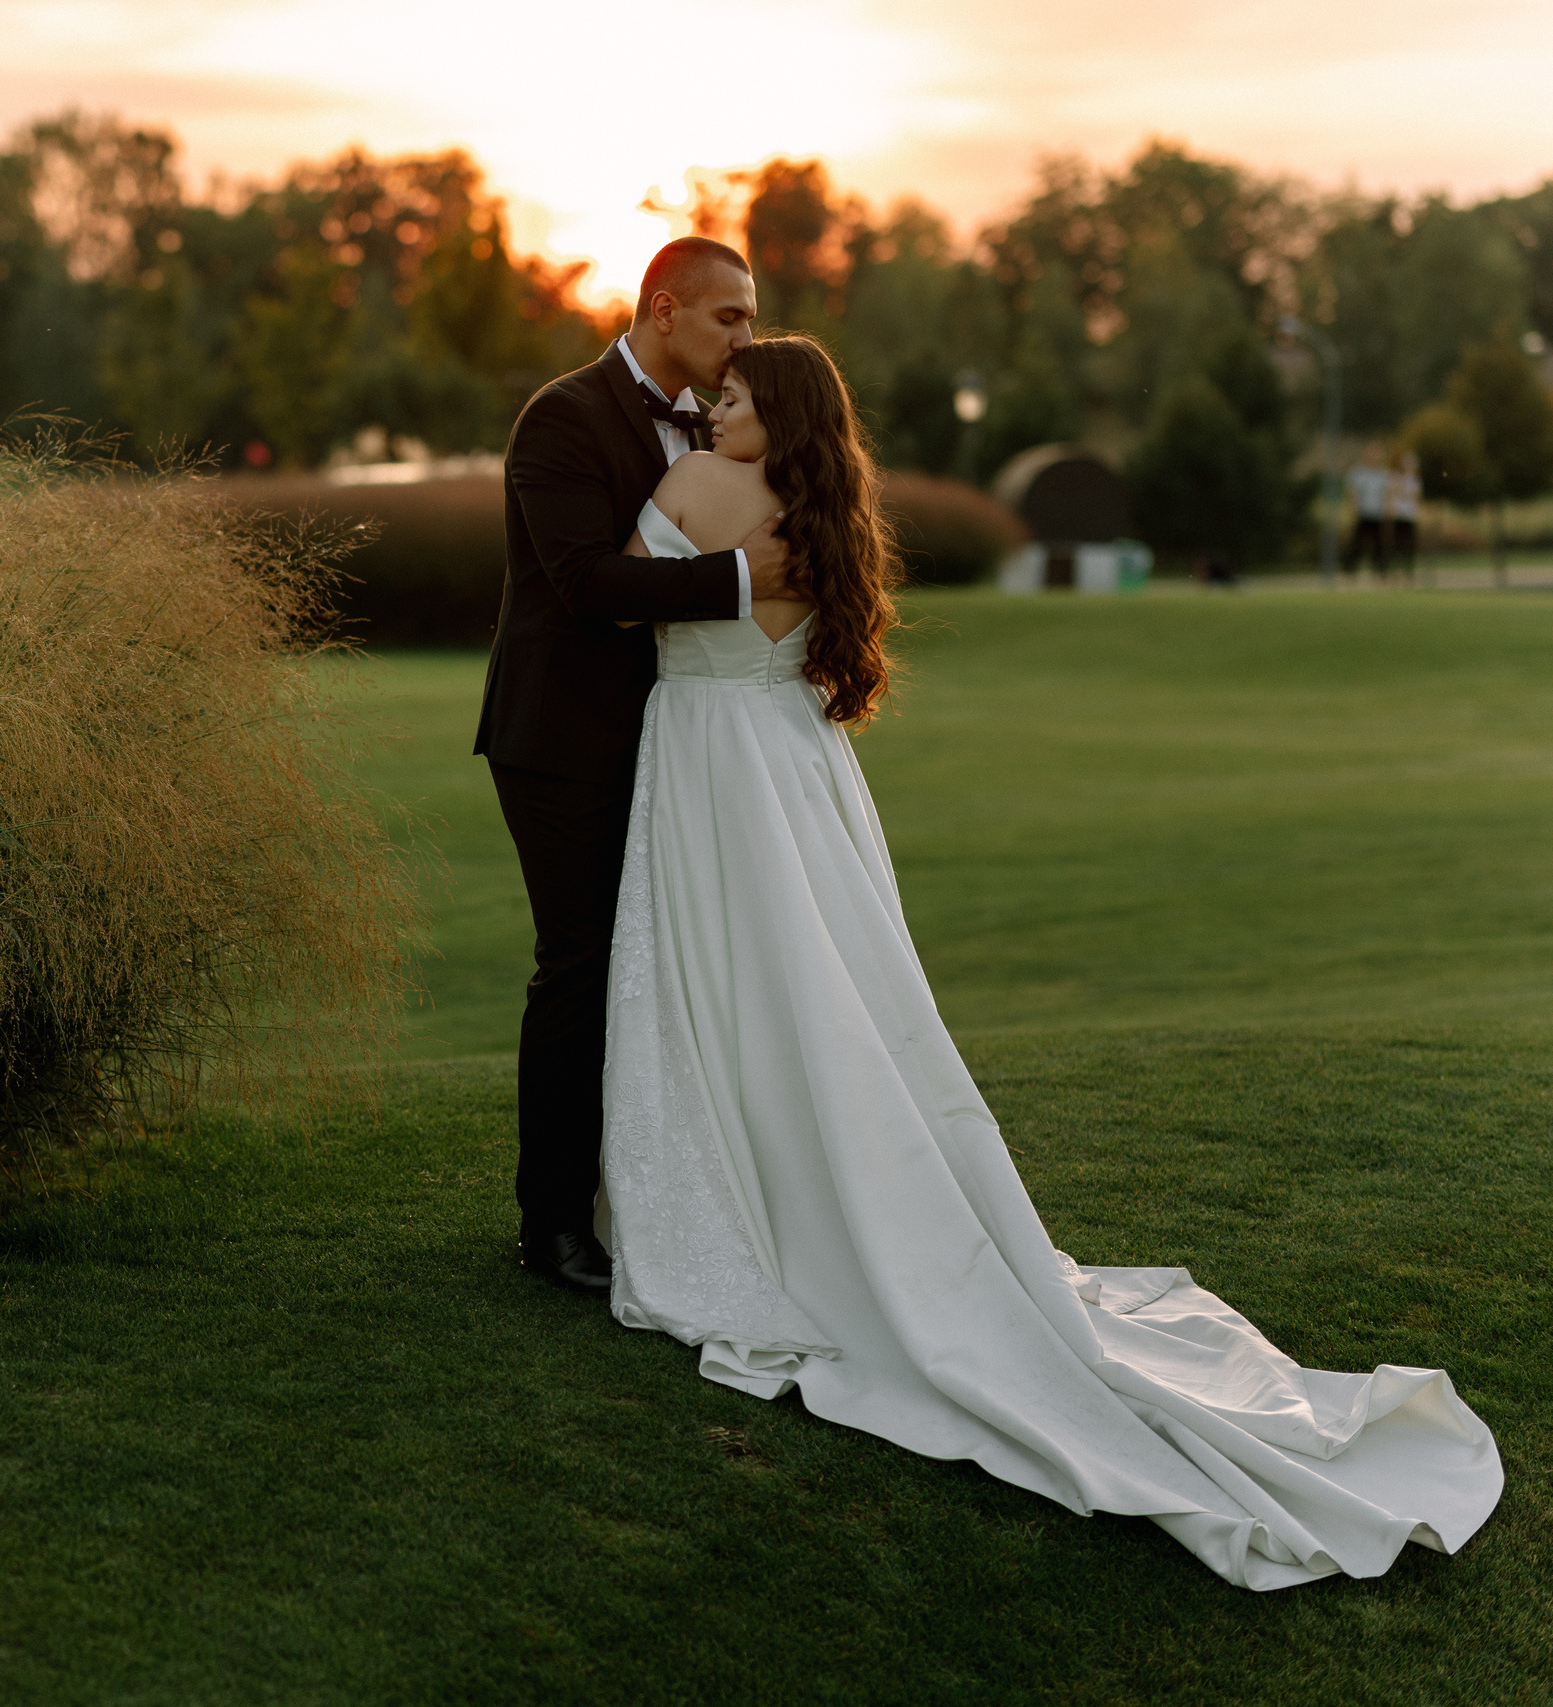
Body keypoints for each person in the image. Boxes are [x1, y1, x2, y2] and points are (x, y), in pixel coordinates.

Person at [598, 331, 1503, 1590]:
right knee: (822, 990)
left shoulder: (693, 492)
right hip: (796, 769)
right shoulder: (823, 513)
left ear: (780, 410)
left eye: (736, 398)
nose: (711, 412)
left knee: (733, 986)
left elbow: (610, 594)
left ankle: (749, 1200)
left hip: (708, 766)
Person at [474, 237, 801, 1294]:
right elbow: (582, 584)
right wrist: (740, 580)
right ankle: (552, 1224)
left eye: (749, 321)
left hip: (683, 742)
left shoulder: (725, 429)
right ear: (664, 310)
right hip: (562, 740)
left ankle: (666, 1198)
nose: (743, 338)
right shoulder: (563, 418)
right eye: (728, 319)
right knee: (579, 966)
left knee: (672, 962)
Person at [1345, 443, 1391, 583]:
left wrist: (1386, 511)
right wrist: (1354, 510)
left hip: (1377, 514)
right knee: (1356, 545)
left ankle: (1380, 573)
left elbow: (1386, 495)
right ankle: (1350, 572)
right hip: (1363, 513)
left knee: (1379, 546)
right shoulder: (1358, 473)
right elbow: (1353, 494)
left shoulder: (1383, 474)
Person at [1388, 448, 1423, 586]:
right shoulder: (1397, 478)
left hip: (1410, 516)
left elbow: (1416, 497)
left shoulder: (1415, 481)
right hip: (1399, 516)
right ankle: (1396, 572)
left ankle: (1408, 572)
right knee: (1398, 544)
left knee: (1409, 545)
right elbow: (1392, 494)